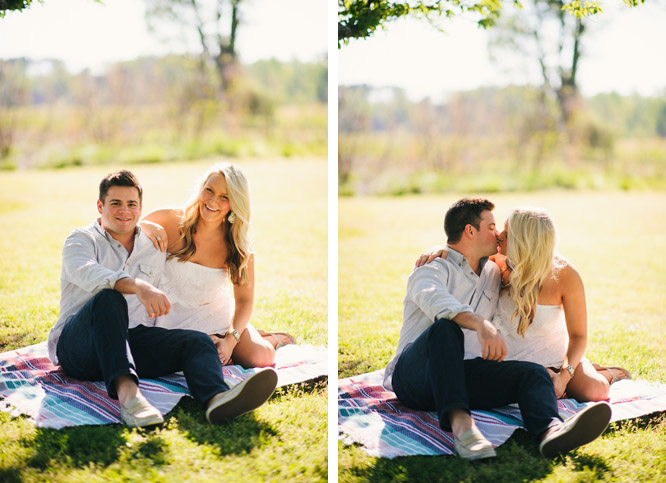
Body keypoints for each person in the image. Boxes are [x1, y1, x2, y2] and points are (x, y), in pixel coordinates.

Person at [384, 197, 611, 460]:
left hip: (464, 374)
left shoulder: (493, 270)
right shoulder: (432, 268)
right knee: (445, 329)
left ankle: (551, 431)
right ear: (471, 231)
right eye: (492, 227)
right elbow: (435, 298)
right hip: (416, 379)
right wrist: (480, 324)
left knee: (533, 373)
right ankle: (464, 430)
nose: (499, 234)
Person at [47, 170, 278, 428]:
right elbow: (87, 272)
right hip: (80, 349)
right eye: (115, 204)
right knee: (109, 299)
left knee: (197, 340)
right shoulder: (81, 239)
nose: (124, 211)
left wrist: (147, 225)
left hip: (128, 342)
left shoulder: (149, 243)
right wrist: (138, 286)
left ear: (140, 209)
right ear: (100, 206)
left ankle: (217, 399)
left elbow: (155, 233)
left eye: (131, 205)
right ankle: (131, 398)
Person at [417, 207, 631, 401]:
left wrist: (564, 378)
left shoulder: (565, 275)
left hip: (555, 357)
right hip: (509, 361)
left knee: (595, 392)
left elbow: (578, 336)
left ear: (524, 243)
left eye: (507, 234)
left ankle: (607, 374)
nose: (499, 235)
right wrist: (440, 250)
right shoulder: (497, 263)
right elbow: (463, 252)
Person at [138, 163, 295, 369]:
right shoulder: (169, 219)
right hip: (166, 317)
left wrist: (231, 341)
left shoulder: (237, 246)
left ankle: (273, 339)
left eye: (224, 197)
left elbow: (245, 301)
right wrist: (144, 225)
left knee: (260, 358)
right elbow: (122, 231)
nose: (213, 201)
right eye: (209, 190)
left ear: (235, 203)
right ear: (201, 188)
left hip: (213, 316)